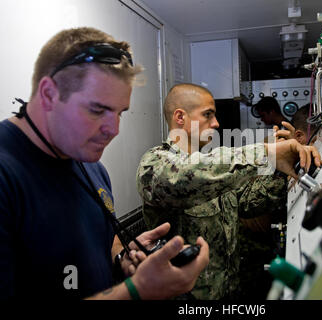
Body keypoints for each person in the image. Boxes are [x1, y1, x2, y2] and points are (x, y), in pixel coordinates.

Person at [0, 27, 209, 300]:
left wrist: (121, 258)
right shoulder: (7, 175)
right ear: (49, 94)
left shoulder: (91, 166)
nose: (114, 129)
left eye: (120, 112)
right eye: (98, 110)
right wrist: (137, 291)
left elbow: (102, 238)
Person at [137, 83, 321, 299]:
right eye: (208, 115)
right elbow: (187, 175)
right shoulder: (155, 163)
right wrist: (266, 153)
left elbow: (249, 201)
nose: (216, 124)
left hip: (228, 292)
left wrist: (286, 169)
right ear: (180, 117)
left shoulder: (218, 168)